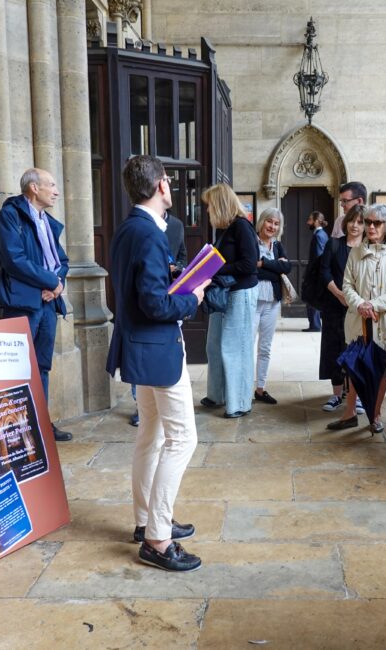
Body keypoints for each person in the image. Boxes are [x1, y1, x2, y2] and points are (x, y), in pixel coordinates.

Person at [106, 155, 208, 573]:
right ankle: (157, 539)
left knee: (151, 435)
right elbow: (153, 304)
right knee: (182, 440)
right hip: (157, 350)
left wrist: (172, 276)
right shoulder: (148, 234)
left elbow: (139, 290)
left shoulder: (129, 228)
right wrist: (191, 299)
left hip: (141, 348)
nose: (170, 186)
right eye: (168, 180)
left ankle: (146, 520)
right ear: (161, 186)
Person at [0, 168, 72, 442]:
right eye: (52, 185)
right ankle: (16, 432)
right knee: (17, 371)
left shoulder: (46, 220)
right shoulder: (10, 215)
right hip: (22, 304)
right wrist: (51, 281)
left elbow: (62, 260)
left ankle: (40, 426)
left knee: (42, 367)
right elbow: (14, 260)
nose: (57, 191)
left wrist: (57, 284)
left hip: (48, 303)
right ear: (34, 188)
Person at [328, 204, 386, 433]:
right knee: (355, 368)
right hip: (359, 321)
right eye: (368, 222)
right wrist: (360, 304)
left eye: (377, 223)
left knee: (382, 370)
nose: (371, 227)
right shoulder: (355, 252)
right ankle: (350, 413)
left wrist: (374, 305)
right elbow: (347, 285)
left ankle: (375, 414)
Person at [200, 183, 259, 418]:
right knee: (214, 346)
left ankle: (240, 403)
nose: (207, 210)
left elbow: (249, 265)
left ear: (220, 204)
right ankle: (217, 395)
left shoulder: (242, 226)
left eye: (209, 205)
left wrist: (214, 269)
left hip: (240, 292)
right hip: (224, 292)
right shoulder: (226, 228)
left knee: (236, 348)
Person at [128, 209, 187, 428]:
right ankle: (140, 406)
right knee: (182, 436)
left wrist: (176, 269)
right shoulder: (142, 228)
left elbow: (182, 255)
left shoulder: (176, 225)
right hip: (154, 303)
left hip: (171, 296)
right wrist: (192, 301)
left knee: (151, 430)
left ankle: (152, 410)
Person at [319, 205, 367, 413]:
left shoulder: (368, 247)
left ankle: (357, 395)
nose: (355, 225)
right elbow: (324, 272)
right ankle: (337, 394)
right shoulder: (334, 244)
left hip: (359, 307)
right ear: (345, 222)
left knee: (358, 350)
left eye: (360, 222)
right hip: (335, 304)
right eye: (352, 221)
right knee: (334, 348)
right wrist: (339, 294)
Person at [253, 208, 292, 405]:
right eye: (269, 221)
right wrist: (275, 266)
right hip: (252, 301)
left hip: (272, 303)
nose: (272, 226)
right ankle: (242, 389)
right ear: (262, 221)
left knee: (265, 348)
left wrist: (264, 264)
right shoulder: (252, 242)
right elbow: (251, 269)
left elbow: (287, 267)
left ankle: (260, 389)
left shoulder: (277, 245)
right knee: (247, 346)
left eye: (277, 224)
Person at [302, 210, 329, 332]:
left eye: (310, 220)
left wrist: (311, 274)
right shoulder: (322, 234)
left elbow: (318, 256)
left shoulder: (318, 235)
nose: (308, 222)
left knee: (311, 298)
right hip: (317, 273)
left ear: (317, 221)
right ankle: (315, 324)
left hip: (315, 273)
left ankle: (315, 325)